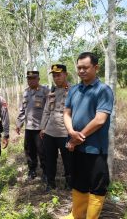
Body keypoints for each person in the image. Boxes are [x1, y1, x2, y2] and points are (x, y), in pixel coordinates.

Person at [61, 52, 114, 219]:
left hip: (95, 149)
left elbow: (100, 120)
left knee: (97, 187)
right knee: (78, 184)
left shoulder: (103, 90)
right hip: (77, 148)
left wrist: (78, 137)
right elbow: (66, 113)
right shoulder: (74, 89)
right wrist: (70, 132)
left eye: (85, 67)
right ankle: (76, 215)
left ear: (96, 67)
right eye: (79, 68)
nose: (81, 71)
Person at [39, 64, 72, 192]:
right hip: (50, 131)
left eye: (58, 75)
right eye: (54, 75)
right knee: (50, 159)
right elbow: (46, 111)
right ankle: (50, 183)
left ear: (65, 74)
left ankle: (69, 182)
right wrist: (43, 128)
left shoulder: (73, 91)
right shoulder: (51, 92)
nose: (56, 78)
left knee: (68, 160)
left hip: (65, 132)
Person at [16, 71, 49, 180]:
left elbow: (49, 110)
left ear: (38, 79)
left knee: (42, 151)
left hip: (41, 128)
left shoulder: (45, 91)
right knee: (29, 151)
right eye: (29, 79)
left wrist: (45, 127)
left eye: (33, 78)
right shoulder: (26, 92)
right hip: (29, 128)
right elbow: (22, 110)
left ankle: (45, 171)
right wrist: (19, 124)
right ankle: (32, 170)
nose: (31, 81)